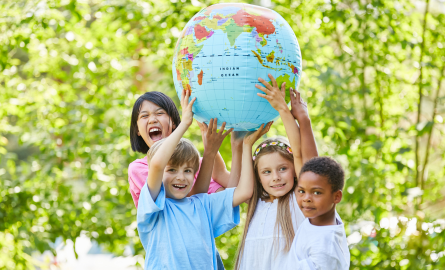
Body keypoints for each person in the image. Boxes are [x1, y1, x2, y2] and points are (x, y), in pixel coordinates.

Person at [137, 89, 272, 269]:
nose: (181, 177)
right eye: (171, 169)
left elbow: (244, 191)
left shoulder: (202, 204)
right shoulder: (154, 208)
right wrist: (185, 123)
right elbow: (156, 164)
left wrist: (244, 146)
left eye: (188, 171)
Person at [234, 74, 319, 270]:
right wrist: (246, 145)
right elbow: (223, 175)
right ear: (257, 176)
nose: (276, 177)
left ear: (295, 171)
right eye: (266, 172)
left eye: (282, 168)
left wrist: (283, 109)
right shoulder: (255, 202)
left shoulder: (300, 201)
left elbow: (299, 154)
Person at [128, 91, 244, 208]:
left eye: (160, 113)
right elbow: (183, 206)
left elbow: (229, 199)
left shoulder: (195, 163)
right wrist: (186, 124)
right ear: (137, 129)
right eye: (144, 116)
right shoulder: (139, 168)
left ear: (173, 122)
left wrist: (237, 145)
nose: (152, 119)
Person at [286, 157, 350, 270]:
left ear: (336, 197)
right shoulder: (319, 217)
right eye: (301, 191)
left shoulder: (325, 246)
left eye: (316, 192)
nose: (306, 198)